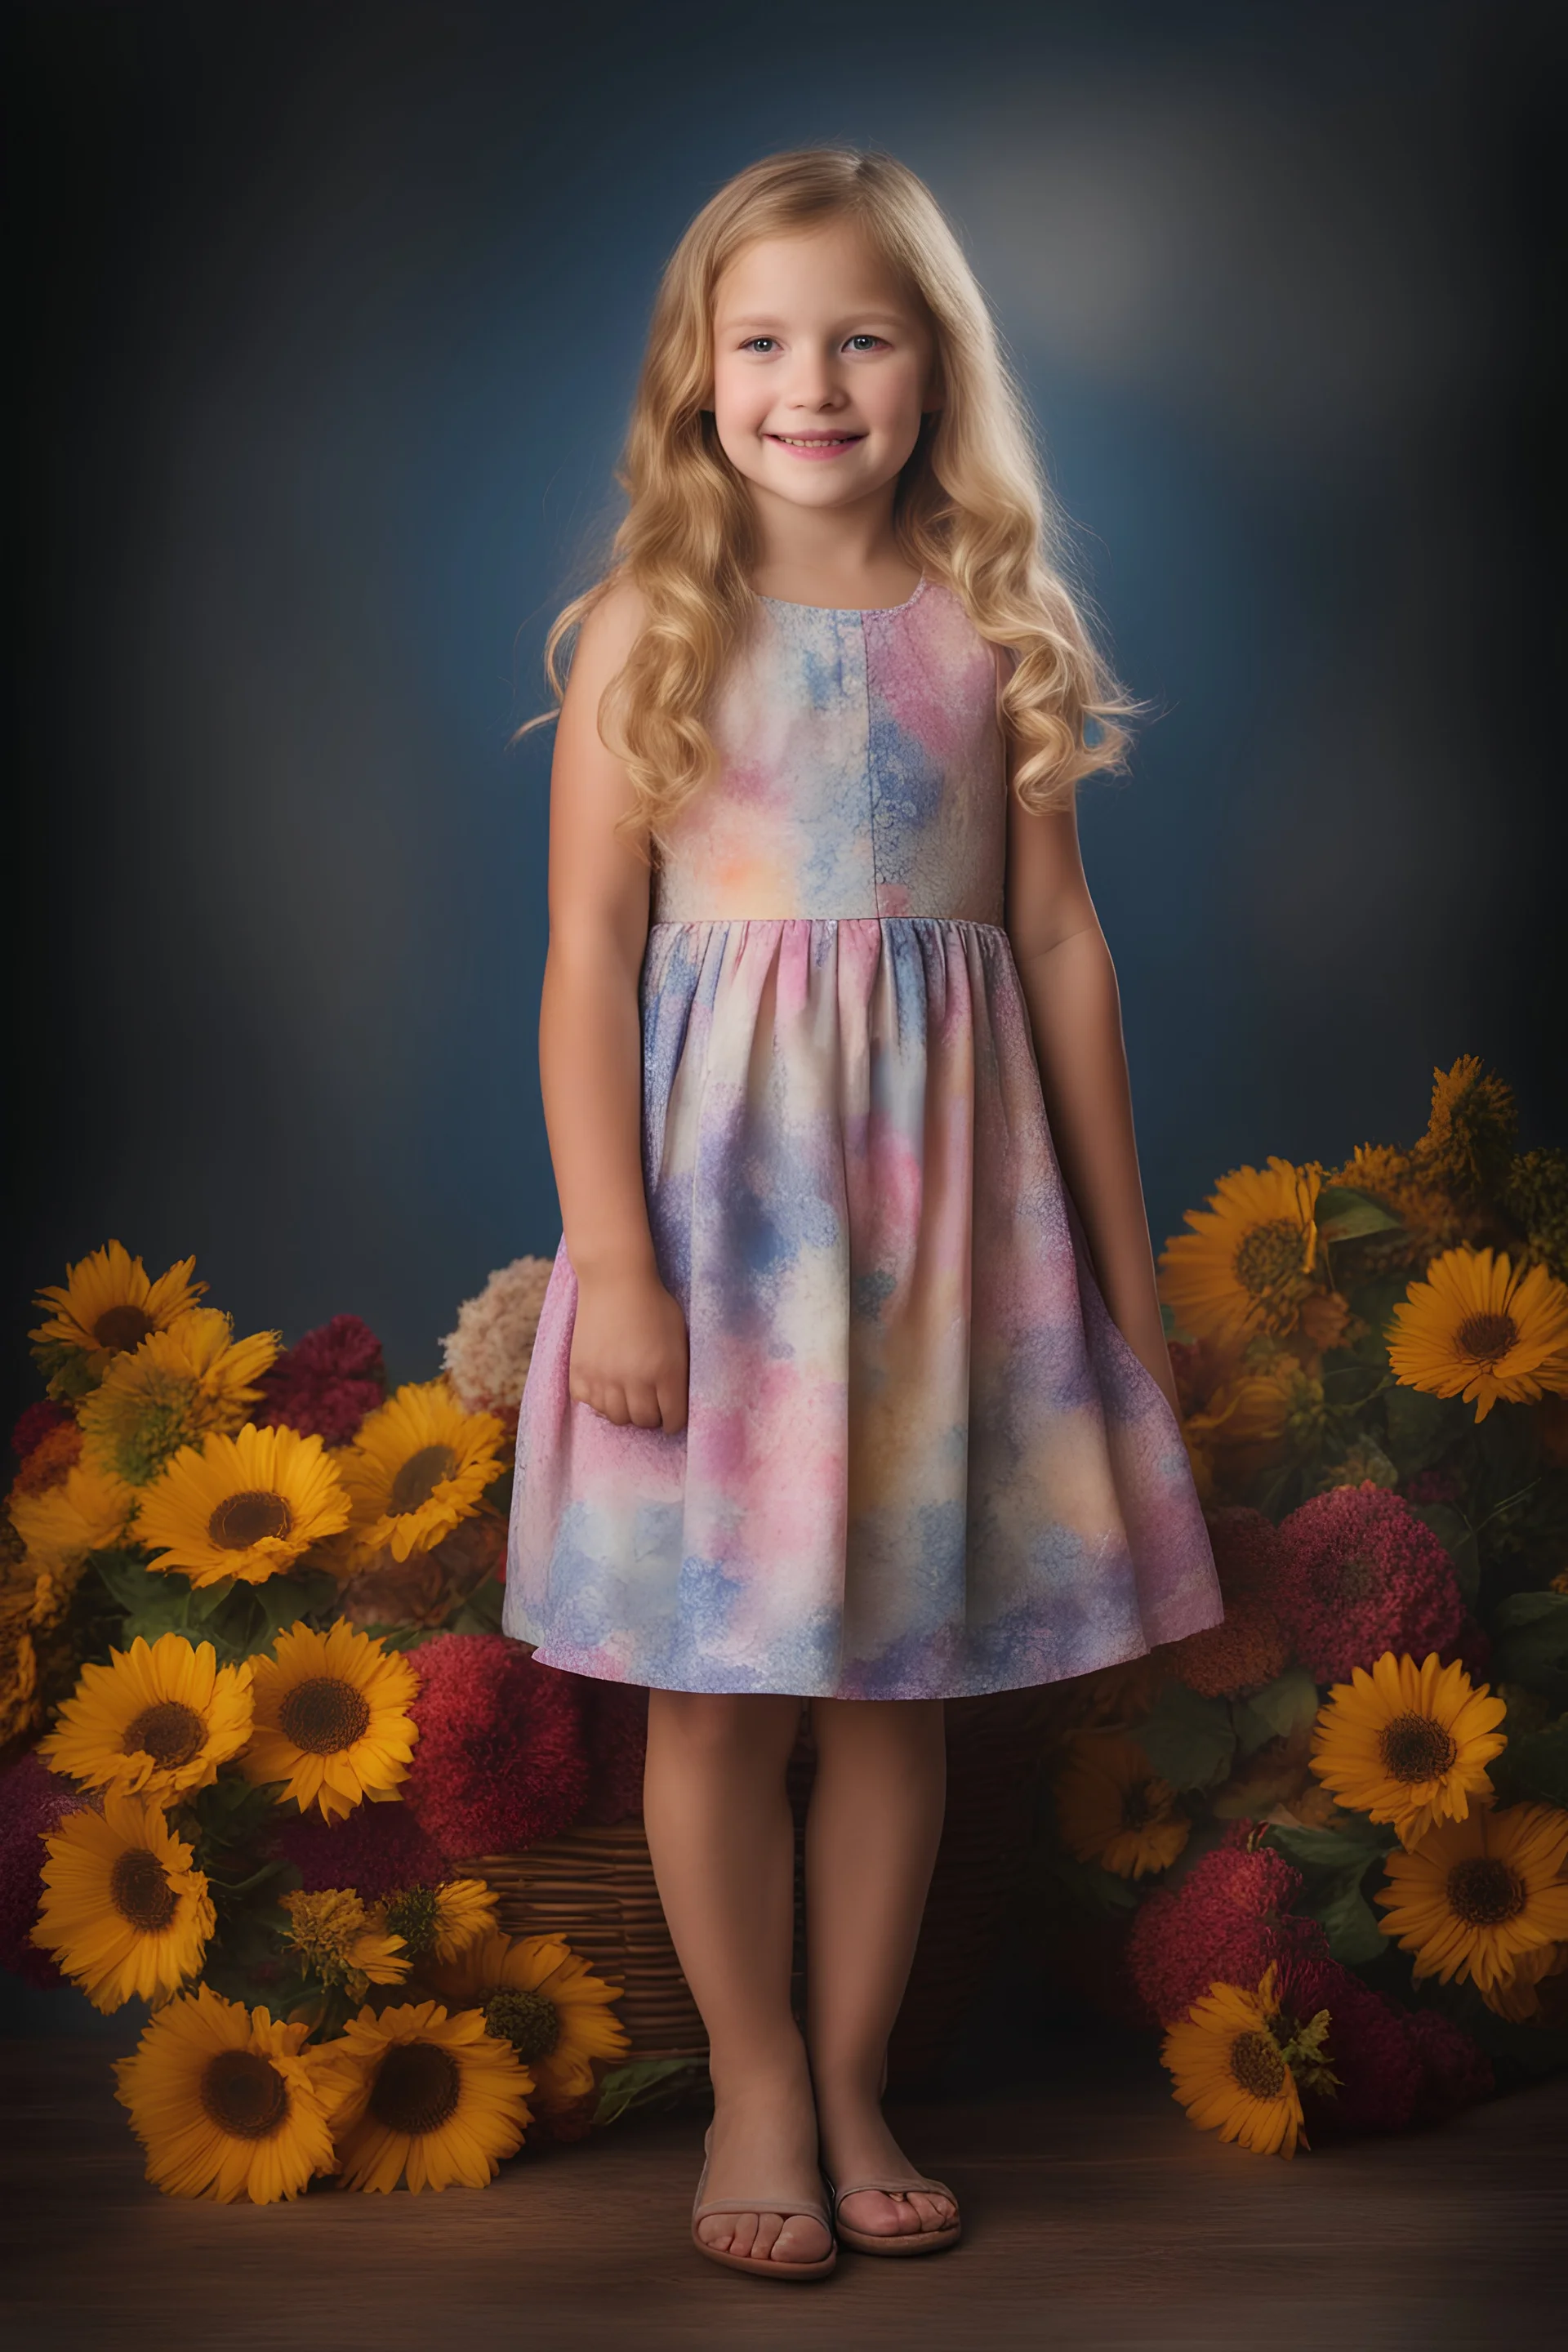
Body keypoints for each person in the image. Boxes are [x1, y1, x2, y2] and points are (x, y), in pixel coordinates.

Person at [503, 146, 1223, 2281]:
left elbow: (1064, 953)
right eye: (764, 342)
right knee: (717, 1691)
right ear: (697, 375)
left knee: (896, 1691)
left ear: (932, 373)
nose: (810, 383)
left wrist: (1121, 1270)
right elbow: (579, 969)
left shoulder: (993, 629)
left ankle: (850, 2067)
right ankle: (747, 2072)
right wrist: (614, 1257)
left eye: (860, 338)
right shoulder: (657, 623)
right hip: (720, 1242)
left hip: (947, 1254)